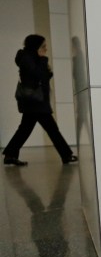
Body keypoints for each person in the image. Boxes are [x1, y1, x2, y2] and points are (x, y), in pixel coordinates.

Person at [4, 34, 77, 166]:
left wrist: (42, 62)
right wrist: (43, 60)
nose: (45, 49)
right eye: (43, 46)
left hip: (35, 101)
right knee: (52, 129)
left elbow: (42, 76)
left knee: (25, 129)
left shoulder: (31, 58)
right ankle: (66, 155)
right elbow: (38, 74)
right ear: (35, 46)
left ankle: (10, 155)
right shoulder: (27, 58)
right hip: (35, 101)